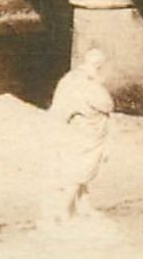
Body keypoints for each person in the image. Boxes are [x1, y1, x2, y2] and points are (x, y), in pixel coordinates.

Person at [44, 47, 114, 228]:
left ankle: (84, 205)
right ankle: (63, 211)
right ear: (98, 64)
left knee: (82, 170)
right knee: (80, 171)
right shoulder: (87, 82)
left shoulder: (70, 78)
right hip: (85, 132)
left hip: (75, 129)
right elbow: (105, 104)